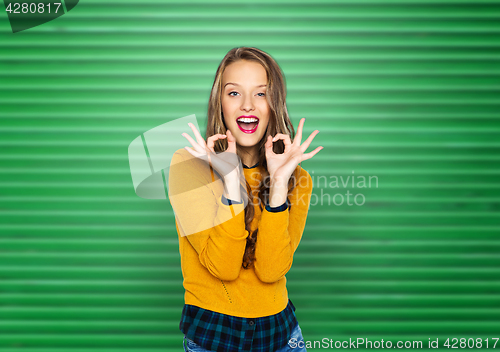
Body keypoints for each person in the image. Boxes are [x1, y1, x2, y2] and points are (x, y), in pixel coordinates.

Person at [168, 47, 322, 352]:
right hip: (213, 335)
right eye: (234, 93)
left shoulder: (298, 178)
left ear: (273, 104)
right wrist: (231, 180)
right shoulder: (188, 166)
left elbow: (271, 270)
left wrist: (279, 184)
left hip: (280, 335)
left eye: (261, 94)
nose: (247, 106)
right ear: (219, 103)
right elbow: (222, 267)